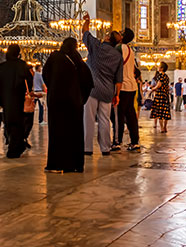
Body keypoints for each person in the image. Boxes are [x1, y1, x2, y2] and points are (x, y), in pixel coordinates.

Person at [43, 37, 93, 173]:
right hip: (74, 103)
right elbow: (88, 81)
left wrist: (53, 88)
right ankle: (75, 165)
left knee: (57, 133)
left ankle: (56, 164)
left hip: (57, 102)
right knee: (74, 134)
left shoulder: (54, 57)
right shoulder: (77, 60)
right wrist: (80, 97)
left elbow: (45, 75)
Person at [81, 15, 122, 156]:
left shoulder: (97, 47)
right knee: (105, 120)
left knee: (88, 119)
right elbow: (119, 79)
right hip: (107, 91)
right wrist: (117, 95)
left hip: (91, 89)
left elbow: (85, 33)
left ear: (108, 39)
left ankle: (87, 148)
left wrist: (87, 21)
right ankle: (105, 148)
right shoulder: (118, 56)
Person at [0, 44, 32, 159]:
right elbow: (29, 80)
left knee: (9, 123)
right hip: (18, 97)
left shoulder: (3, 66)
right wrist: (27, 91)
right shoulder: (22, 65)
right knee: (18, 122)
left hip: (7, 99)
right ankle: (16, 147)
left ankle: (14, 147)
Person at [115, 28, 141, 152]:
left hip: (123, 86)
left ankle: (117, 141)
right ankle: (135, 142)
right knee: (131, 115)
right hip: (132, 86)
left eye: (121, 33)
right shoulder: (131, 50)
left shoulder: (119, 48)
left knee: (119, 115)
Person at [150, 62, 172, 133]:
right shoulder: (166, 76)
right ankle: (165, 127)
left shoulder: (160, 75)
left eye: (159, 66)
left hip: (160, 95)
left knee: (160, 112)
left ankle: (162, 128)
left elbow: (159, 84)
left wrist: (153, 88)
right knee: (166, 111)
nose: (158, 67)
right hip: (165, 94)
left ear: (161, 68)